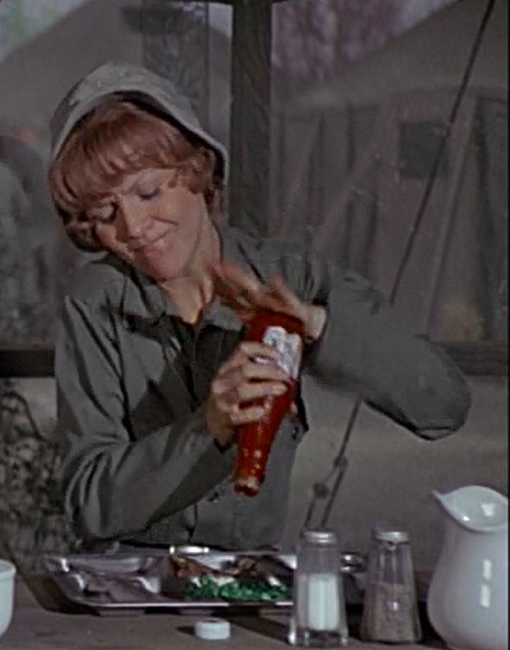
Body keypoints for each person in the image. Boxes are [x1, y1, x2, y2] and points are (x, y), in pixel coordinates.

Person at [47, 62, 471, 551]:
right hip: (131, 581)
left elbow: (442, 404)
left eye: (149, 191)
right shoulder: (95, 303)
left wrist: (318, 326)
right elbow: (88, 502)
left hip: (249, 579)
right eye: (105, 212)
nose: (134, 226)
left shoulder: (291, 277)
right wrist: (208, 428)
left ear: (198, 170)